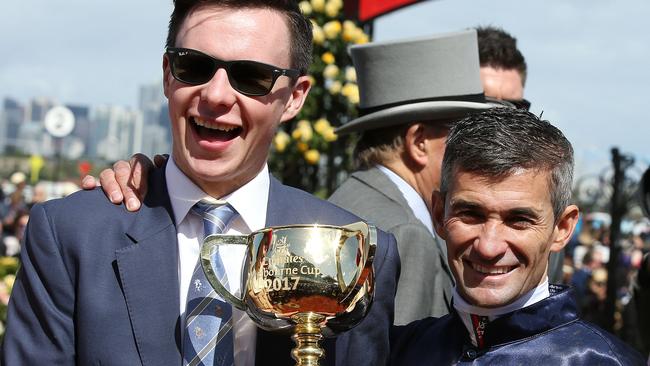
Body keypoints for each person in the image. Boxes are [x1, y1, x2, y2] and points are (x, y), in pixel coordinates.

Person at [1, 1, 399, 365]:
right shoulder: (73, 235)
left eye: (252, 76)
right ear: (167, 75)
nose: (216, 94)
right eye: (194, 66)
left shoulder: (355, 252)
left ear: (295, 97)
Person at [389, 107, 645, 365]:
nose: (488, 247)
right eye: (470, 214)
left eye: (519, 220)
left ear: (562, 229)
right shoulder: (403, 350)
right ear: (438, 214)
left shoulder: (602, 361)